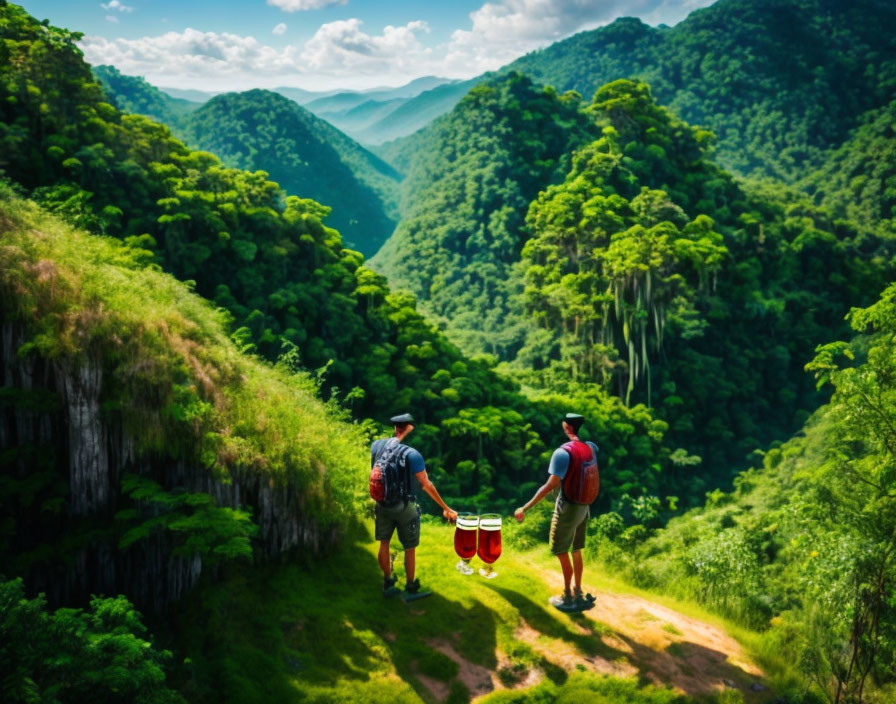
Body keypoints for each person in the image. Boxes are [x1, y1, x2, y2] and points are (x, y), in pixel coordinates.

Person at [514, 413, 599, 612]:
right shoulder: (591, 447)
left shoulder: (562, 453)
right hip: (584, 507)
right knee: (576, 550)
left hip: (567, 509)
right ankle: (578, 591)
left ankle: (567, 596)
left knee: (561, 550)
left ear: (566, 427)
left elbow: (549, 486)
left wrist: (524, 507)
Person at [371, 413, 457, 597]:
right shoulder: (412, 454)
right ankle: (410, 587)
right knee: (409, 547)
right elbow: (426, 485)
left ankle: (388, 583)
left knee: (384, 543)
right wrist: (445, 508)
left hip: (382, 504)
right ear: (410, 428)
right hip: (404, 507)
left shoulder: (376, 446)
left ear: (395, 427)